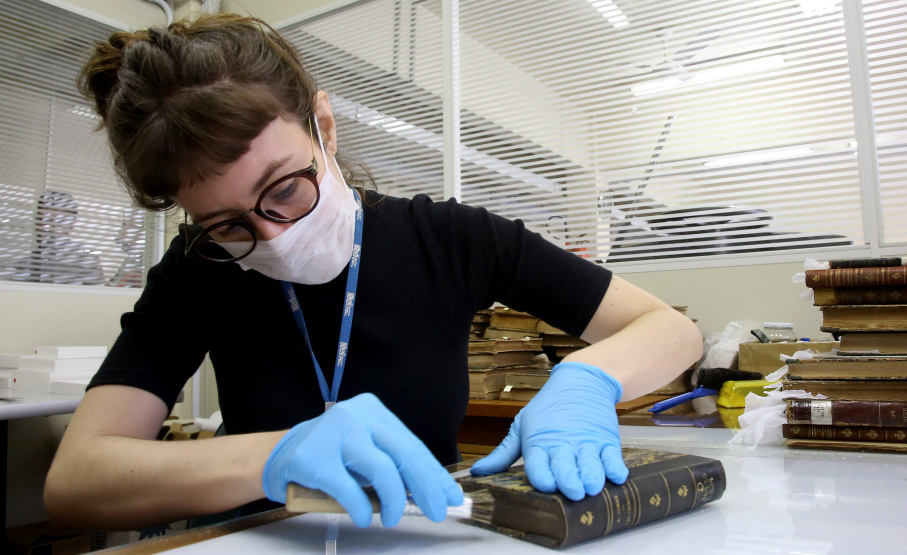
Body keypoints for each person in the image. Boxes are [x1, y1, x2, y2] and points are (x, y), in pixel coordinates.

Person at [44, 13, 702, 532]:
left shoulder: (448, 238)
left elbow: (670, 330)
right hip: (268, 534)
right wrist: (271, 455)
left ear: (323, 126)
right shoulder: (199, 269)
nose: (270, 233)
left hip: (427, 532)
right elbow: (76, 481)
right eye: (227, 223)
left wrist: (586, 378)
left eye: (285, 188)